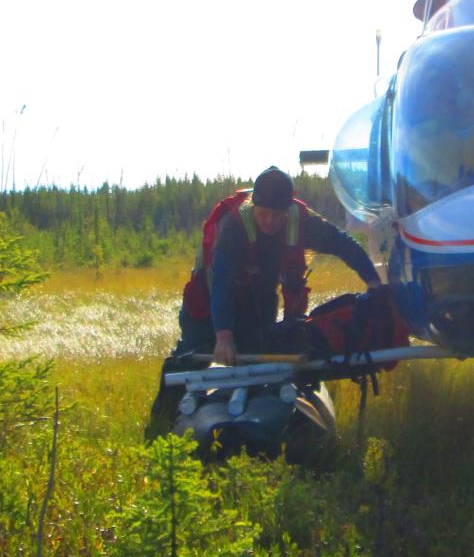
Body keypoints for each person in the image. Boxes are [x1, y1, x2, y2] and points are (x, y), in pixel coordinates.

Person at [148, 166, 382, 436]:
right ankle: (160, 430)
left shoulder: (302, 222)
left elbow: (343, 244)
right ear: (253, 206)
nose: (270, 221)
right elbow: (221, 283)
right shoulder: (234, 226)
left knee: (259, 367)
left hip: (259, 301)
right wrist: (223, 337)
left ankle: (256, 433)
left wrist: (373, 280)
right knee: (187, 360)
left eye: (277, 215)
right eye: (263, 214)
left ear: (288, 209)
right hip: (208, 302)